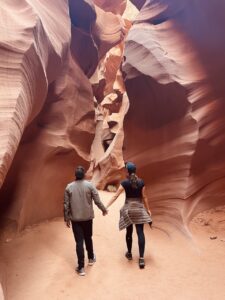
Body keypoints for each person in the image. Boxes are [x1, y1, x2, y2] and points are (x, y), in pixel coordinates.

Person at [106, 162, 152, 269]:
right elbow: (144, 197)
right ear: (135, 171)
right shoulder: (141, 182)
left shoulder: (124, 183)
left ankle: (130, 254)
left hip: (128, 210)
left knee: (129, 232)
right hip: (139, 209)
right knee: (140, 233)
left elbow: (116, 195)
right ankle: (141, 258)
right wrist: (148, 209)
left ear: (127, 171)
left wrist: (107, 206)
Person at [64, 166, 108, 276]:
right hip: (88, 218)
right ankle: (91, 258)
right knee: (88, 237)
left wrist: (66, 218)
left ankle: (81, 268)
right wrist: (103, 209)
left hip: (76, 219)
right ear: (84, 175)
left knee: (79, 242)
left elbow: (66, 205)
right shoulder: (90, 186)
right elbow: (97, 200)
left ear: (75, 175)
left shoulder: (69, 187)